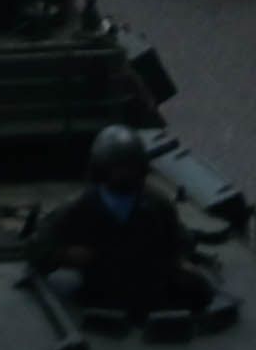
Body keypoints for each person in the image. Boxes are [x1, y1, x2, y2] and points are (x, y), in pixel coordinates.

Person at [35, 125, 208, 304]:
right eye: (118, 167)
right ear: (102, 169)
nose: (125, 173)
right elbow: (39, 247)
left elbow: (180, 239)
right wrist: (65, 255)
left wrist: (180, 260)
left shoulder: (156, 204)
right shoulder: (80, 207)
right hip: (100, 292)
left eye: (131, 166)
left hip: (149, 290)